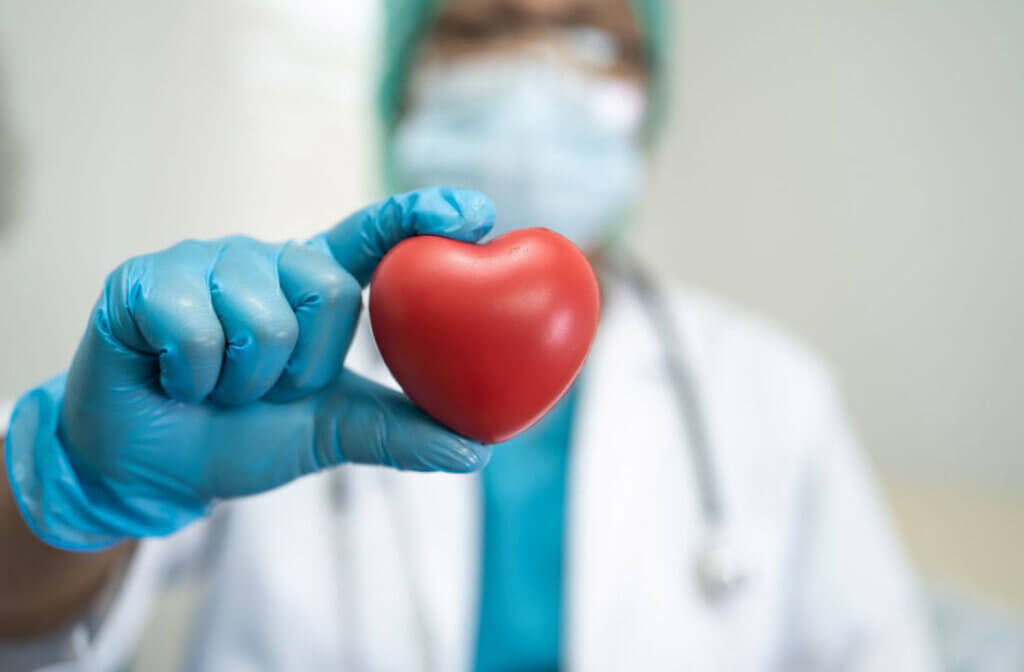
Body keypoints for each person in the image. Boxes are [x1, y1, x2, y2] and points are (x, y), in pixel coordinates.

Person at [0, 0, 939, 669]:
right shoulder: (267, 345)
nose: (535, 75)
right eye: (480, 30)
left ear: (648, 104)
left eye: (589, 36)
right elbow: (22, 630)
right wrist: (72, 493)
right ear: (402, 84)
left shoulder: (773, 393)